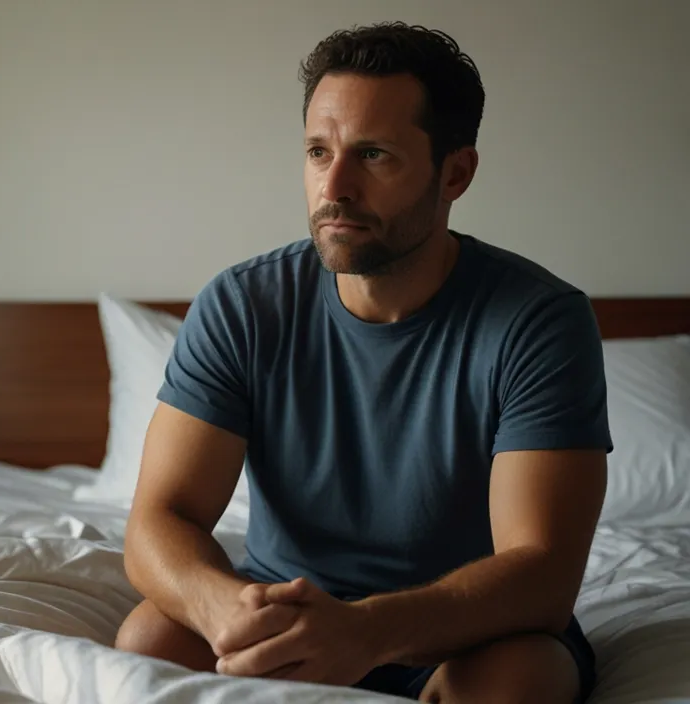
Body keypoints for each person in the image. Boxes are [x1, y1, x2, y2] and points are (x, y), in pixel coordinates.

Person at [114, 21, 610, 704]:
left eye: (373, 155)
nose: (335, 186)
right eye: (320, 152)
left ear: (455, 173)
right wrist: (223, 609)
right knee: (147, 643)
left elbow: (542, 574)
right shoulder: (242, 305)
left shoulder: (538, 321)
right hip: (283, 612)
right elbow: (157, 521)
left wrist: (366, 631)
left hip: (468, 632)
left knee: (517, 683)